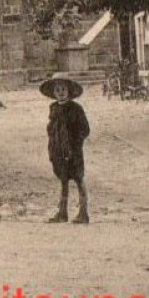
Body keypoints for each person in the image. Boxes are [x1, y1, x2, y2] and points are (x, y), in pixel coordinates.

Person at [41, 73, 91, 224]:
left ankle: (83, 212)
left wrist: (75, 144)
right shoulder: (54, 108)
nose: (61, 92)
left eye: (63, 89)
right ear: (54, 93)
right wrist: (53, 148)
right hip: (59, 152)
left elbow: (85, 129)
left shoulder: (76, 109)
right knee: (63, 181)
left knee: (79, 179)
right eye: (57, 90)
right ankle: (62, 213)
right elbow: (51, 130)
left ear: (68, 91)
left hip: (73, 151)